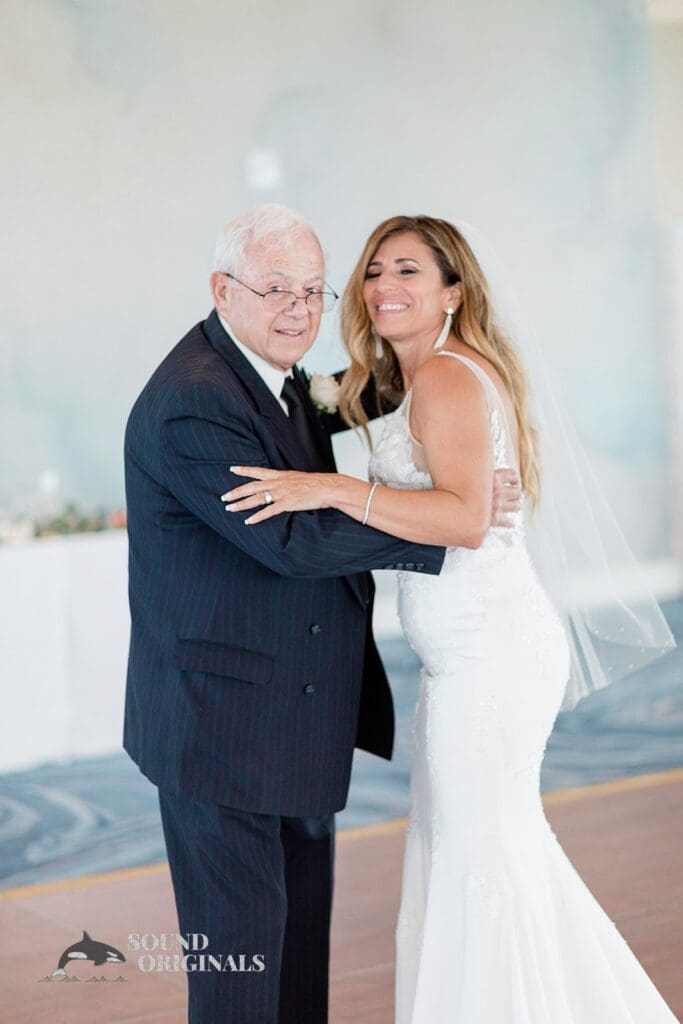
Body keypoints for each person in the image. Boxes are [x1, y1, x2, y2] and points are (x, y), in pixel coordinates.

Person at [222, 214, 679, 1022]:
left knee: (481, 860)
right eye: (373, 272)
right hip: (461, 659)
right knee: (470, 854)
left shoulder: (445, 376)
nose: (384, 287)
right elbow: (350, 420)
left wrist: (331, 489)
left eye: (408, 272)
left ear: (451, 293)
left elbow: (464, 521)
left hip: (491, 656)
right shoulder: (400, 379)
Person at [122, 204, 520, 1024]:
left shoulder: (276, 374)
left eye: (312, 289)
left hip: (294, 712)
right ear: (221, 290)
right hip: (220, 727)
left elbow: (383, 396)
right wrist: (443, 522)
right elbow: (292, 542)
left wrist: (464, 486)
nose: (299, 310)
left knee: (296, 950)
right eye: (275, 289)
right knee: (239, 965)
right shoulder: (194, 400)